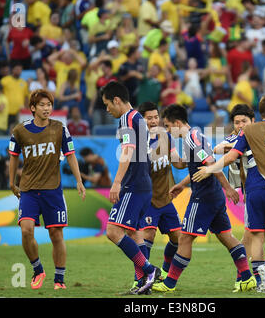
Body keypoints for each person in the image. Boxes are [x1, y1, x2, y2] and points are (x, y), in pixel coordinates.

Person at [192, 92, 265, 293]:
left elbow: (232, 154)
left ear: (258, 114)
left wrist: (210, 168)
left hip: (252, 189)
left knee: (256, 235)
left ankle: (259, 282)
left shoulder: (247, 132)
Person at [152, 104, 255, 293]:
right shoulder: (193, 136)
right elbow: (187, 164)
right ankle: (247, 278)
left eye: (167, 126)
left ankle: (169, 284)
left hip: (204, 196)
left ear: (176, 123)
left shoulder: (192, 139)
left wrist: (228, 188)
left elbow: (210, 163)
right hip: (212, 195)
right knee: (227, 237)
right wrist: (182, 183)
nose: (166, 130)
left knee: (184, 239)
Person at [8, 89, 86, 290]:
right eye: (42, 105)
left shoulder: (60, 128)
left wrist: (79, 180)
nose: (47, 108)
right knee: (26, 230)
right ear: (32, 108)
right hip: (29, 189)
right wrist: (11, 182)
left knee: (56, 235)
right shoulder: (19, 131)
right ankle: (37, 269)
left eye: (49, 104)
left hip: (53, 190)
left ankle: (59, 279)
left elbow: (70, 155)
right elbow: (13, 156)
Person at [101, 81, 161, 295]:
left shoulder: (127, 118)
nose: (107, 109)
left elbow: (128, 150)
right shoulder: (138, 118)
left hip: (133, 184)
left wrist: (116, 182)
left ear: (117, 100)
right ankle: (142, 283)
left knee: (113, 231)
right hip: (144, 183)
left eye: (107, 104)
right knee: (135, 233)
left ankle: (149, 270)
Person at [135, 101, 186, 292]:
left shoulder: (165, 137)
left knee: (177, 238)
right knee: (148, 235)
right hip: (147, 199)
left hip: (165, 199)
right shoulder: (138, 142)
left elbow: (177, 162)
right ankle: (139, 280)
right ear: (141, 120)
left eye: (156, 117)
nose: (154, 121)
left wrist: (194, 159)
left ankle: (163, 272)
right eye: (150, 118)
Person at [0, 63, 28, 129]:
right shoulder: (4, 80)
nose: (19, 71)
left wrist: (26, 109)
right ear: (12, 70)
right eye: (17, 69)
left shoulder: (24, 83)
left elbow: (26, 97)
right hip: (6, 111)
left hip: (19, 113)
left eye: (20, 69)